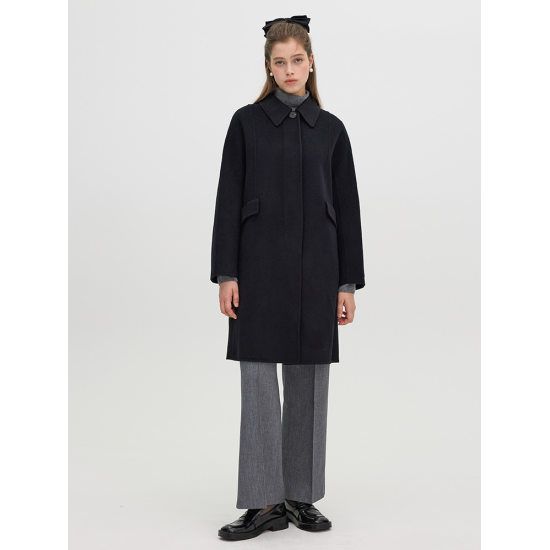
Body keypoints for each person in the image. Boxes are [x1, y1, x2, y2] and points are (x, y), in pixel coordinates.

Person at [210, 15, 365, 541]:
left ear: (311, 62)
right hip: (257, 272)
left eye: (298, 60)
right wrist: (226, 273)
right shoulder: (246, 123)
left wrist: (347, 284)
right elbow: (228, 199)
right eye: (280, 62)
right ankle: (264, 503)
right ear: (269, 68)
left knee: (309, 384)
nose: (290, 69)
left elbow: (347, 208)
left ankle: (300, 496)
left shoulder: (332, 130)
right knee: (257, 384)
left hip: (318, 272)